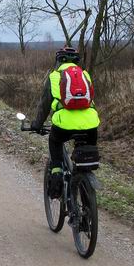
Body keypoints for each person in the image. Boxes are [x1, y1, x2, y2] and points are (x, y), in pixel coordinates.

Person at [31, 46, 99, 198]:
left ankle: (56, 173)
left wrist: (37, 124)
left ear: (58, 61)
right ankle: (84, 183)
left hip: (64, 125)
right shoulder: (85, 75)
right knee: (83, 160)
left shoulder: (54, 76)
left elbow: (44, 105)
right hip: (91, 124)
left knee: (54, 140)